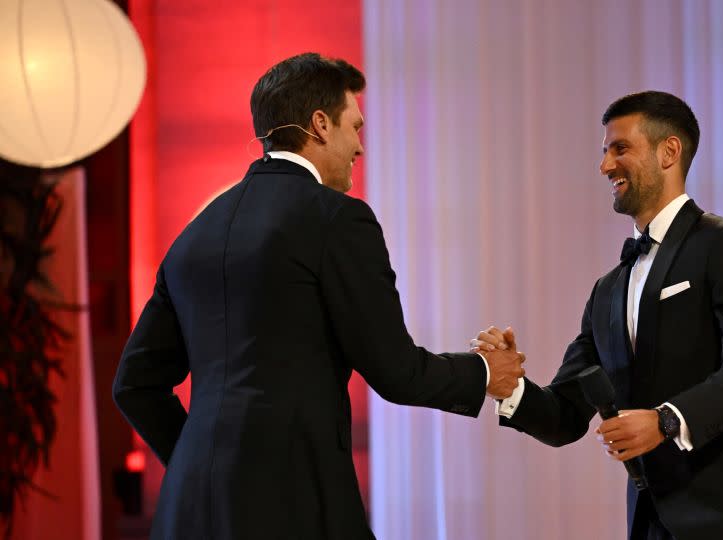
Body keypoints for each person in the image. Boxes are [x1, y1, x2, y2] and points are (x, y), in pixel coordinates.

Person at [112, 53, 524, 540]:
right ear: (321, 124)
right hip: (295, 505)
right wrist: (483, 372)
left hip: (188, 511)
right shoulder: (338, 219)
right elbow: (396, 372)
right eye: (355, 126)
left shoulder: (194, 233)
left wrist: (198, 462)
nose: (360, 147)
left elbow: (135, 385)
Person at [473, 91, 723, 539]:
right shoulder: (607, 291)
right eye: (605, 151)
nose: (605, 166)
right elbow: (565, 416)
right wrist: (508, 387)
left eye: (620, 148)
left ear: (669, 152)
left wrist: (665, 420)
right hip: (649, 526)